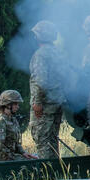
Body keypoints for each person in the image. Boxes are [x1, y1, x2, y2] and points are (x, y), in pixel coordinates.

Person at [29, 20, 65, 159]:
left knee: (42, 140)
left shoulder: (40, 55)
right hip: (57, 102)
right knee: (52, 140)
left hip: (44, 105)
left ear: (39, 36)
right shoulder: (58, 54)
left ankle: (47, 177)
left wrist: (38, 102)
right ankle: (56, 172)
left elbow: (40, 81)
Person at [0, 90, 36, 161]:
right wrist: (13, 156)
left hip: (9, 156)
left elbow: (16, 143)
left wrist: (23, 153)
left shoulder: (13, 120)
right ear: (8, 105)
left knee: (34, 159)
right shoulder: (0, 121)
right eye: (16, 104)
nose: (18, 107)